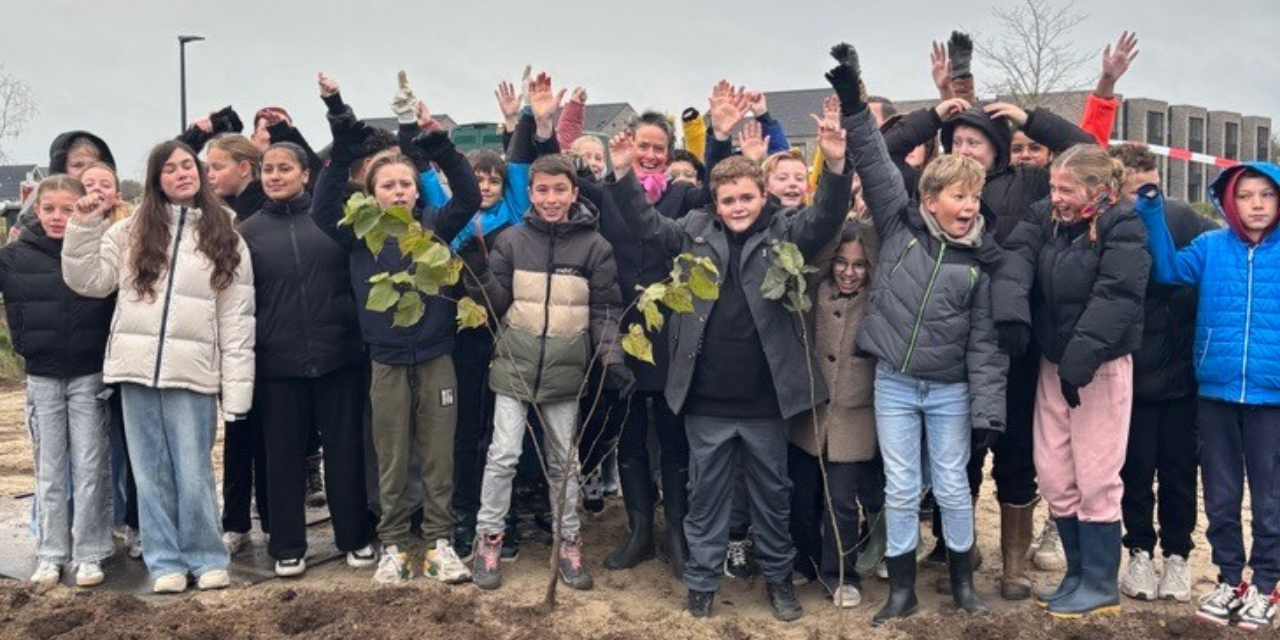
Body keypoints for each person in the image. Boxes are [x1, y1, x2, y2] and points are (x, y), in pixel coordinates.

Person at [603, 60, 854, 622]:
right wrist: (620, 175)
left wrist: (835, 164)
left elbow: (828, 217)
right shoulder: (692, 235)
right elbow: (646, 226)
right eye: (727, 200)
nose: (738, 207)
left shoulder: (786, 234)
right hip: (706, 404)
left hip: (767, 403)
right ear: (714, 203)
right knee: (705, 499)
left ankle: (780, 581)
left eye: (746, 198)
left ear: (762, 195)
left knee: (773, 497)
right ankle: (700, 582)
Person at [836, 44, 1005, 625]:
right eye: (959, 196)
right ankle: (901, 591)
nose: (969, 205)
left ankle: (962, 585)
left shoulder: (982, 258)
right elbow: (873, 157)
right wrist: (854, 98)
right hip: (895, 383)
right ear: (931, 199)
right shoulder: (899, 222)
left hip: (951, 388)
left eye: (975, 196)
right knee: (903, 488)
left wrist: (987, 408)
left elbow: (984, 342)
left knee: (955, 490)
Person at [62, 140, 255, 594]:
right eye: (169, 169)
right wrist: (84, 226)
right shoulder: (128, 232)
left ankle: (207, 557)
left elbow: (237, 317)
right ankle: (165, 559)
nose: (181, 174)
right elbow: (88, 281)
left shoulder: (226, 234)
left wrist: (237, 390)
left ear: (201, 173)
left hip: (194, 371)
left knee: (193, 470)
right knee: (149, 473)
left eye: (188, 165)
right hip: (136, 371)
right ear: (156, 179)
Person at [312, 83, 480, 585]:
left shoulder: (434, 225)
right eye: (388, 186)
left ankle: (440, 543)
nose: (399, 192)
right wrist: (342, 147)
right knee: (392, 457)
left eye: (406, 184)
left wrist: (439, 148)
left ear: (416, 188)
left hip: (436, 358)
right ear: (373, 193)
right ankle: (394, 545)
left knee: (438, 455)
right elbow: (321, 208)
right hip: (385, 361)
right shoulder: (361, 232)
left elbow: (468, 195)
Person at [993, 144, 1150, 619]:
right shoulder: (1048, 217)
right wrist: (1012, 314)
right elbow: (1018, 257)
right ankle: (1076, 573)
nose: (1055, 196)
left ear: (1097, 189)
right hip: (1052, 361)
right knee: (1055, 470)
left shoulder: (1123, 224)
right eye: (1053, 186)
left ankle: (1101, 581)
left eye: (1066, 188)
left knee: (1096, 474)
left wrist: (1080, 360)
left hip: (1097, 368)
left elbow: (1117, 294)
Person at [462, 152, 629, 592]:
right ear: (530, 193)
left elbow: (605, 310)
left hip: (567, 369)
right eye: (542, 190)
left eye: (560, 190)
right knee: (502, 456)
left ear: (574, 193)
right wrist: (476, 274)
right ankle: (489, 538)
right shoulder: (513, 241)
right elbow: (495, 305)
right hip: (514, 366)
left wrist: (611, 359)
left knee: (565, 462)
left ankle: (568, 540)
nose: (551, 198)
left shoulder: (596, 247)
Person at [1134, 162, 1280, 632]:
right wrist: (1152, 213)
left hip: (1272, 397)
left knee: (1270, 497)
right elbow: (1169, 270)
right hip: (1215, 392)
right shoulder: (1211, 247)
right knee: (1219, 495)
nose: (1256, 204)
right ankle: (1230, 579)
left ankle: (1268, 584)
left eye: (1266, 195)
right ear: (1228, 203)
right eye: (1245, 196)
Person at [419, 78, 560, 562]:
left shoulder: (516, 214)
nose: (484, 186)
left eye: (492, 180)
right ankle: (465, 514)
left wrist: (521, 119)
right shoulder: (448, 218)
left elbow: (521, 166)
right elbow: (423, 177)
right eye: (477, 179)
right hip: (462, 338)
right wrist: (413, 128)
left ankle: (507, 519)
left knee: (510, 436)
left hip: (509, 333)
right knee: (467, 432)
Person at [237, 142, 376, 577]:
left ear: (305, 174)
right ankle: (287, 546)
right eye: (268, 169)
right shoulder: (248, 232)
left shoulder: (332, 221)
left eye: (284, 168)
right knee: (282, 457)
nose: (275, 176)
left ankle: (354, 537)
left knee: (345, 452)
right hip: (278, 365)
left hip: (339, 357)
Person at [1108, 145, 1213, 604]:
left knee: (1178, 472)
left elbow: (1223, 258)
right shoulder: (1105, 228)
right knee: (1133, 470)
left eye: (1155, 187)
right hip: (1127, 375)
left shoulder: (1182, 218)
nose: (1149, 198)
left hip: (1178, 375)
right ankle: (1138, 552)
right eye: (1137, 191)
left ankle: (1177, 556)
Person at [5, 176, 115, 588]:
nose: (56, 217)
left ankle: (90, 551)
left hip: (89, 374)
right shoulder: (14, 258)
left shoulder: (99, 249)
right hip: (42, 376)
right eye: (48, 208)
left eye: (66, 209)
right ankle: (51, 553)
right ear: (36, 209)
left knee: (90, 467)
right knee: (49, 471)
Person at [787, 217, 879, 608]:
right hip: (809, 418)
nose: (848, 272)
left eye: (859, 264)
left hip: (853, 420)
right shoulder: (812, 291)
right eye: (842, 262)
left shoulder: (877, 299)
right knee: (800, 496)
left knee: (840, 502)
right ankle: (805, 561)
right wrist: (838, 217)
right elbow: (820, 253)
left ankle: (841, 573)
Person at [205, 134, 267, 222]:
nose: (209, 175)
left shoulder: (269, 206)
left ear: (244, 168)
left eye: (217, 168)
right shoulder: (216, 208)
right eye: (208, 169)